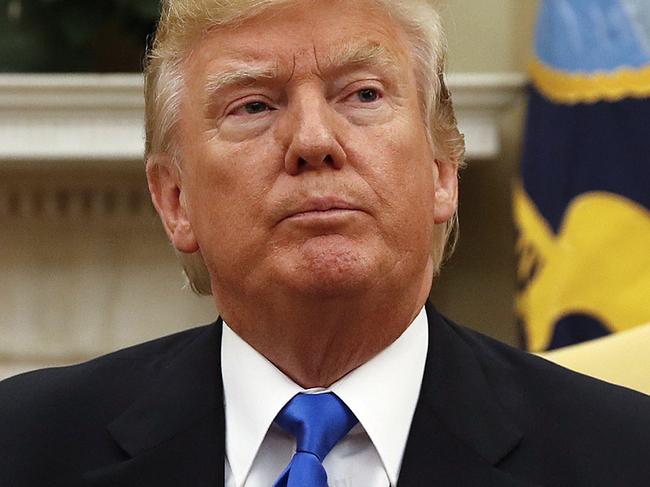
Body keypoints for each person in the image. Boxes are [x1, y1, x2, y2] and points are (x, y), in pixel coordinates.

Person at [1, 0, 649, 486]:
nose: (314, 141)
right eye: (253, 106)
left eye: (362, 94)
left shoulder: (622, 455)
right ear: (174, 200)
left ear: (441, 172)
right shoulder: (24, 447)